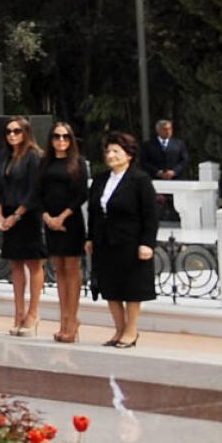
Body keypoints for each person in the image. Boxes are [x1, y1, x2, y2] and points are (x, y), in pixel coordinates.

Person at [88, 130, 159, 349]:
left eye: (116, 151)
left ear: (128, 154)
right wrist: (90, 238)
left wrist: (147, 243)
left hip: (130, 242)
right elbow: (93, 212)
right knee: (110, 286)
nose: (111, 155)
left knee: (131, 288)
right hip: (104, 242)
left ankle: (131, 330)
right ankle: (118, 329)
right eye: (108, 151)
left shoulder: (139, 180)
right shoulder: (100, 180)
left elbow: (150, 214)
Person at [0, 116, 48, 337]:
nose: (12, 135)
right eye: (9, 131)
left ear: (26, 132)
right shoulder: (4, 156)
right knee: (15, 265)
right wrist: (0, 216)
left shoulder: (35, 157)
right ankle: (18, 313)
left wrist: (17, 215)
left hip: (27, 215)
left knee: (33, 264)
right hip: (7, 214)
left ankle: (33, 313)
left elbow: (35, 190)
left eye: (17, 131)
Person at [40, 121, 90, 344]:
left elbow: (81, 194)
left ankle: (72, 320)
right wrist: (47, 217)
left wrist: (62, 217)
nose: (61, 141)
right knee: (58, 269)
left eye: (65, 137)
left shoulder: (77, 162)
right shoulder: (45, 162)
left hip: (70, 222)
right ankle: (63, 320)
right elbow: (37, 191)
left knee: (71, 269)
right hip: (50, 222)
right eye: (57, 137)